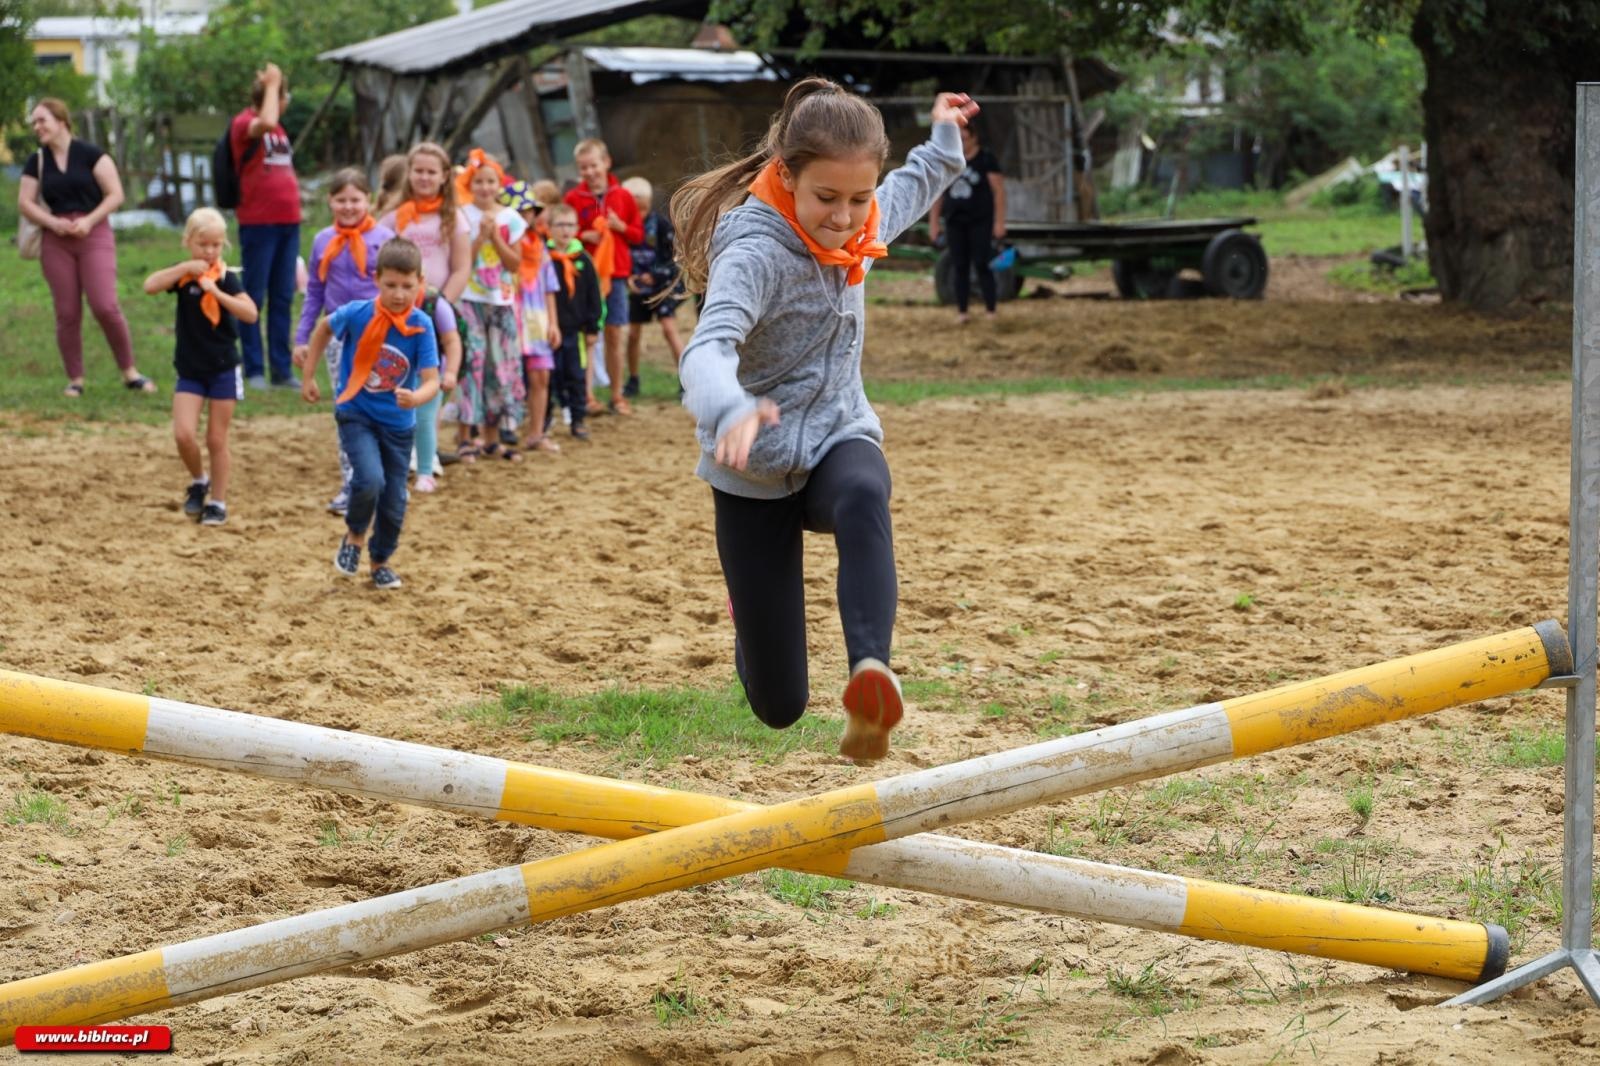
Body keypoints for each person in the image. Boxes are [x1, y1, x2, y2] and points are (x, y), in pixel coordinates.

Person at [673, 78, 975, 762]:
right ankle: (749, 631)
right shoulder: (752, 252)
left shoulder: (863, 216)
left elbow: (920, 178)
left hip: (838, 436)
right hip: (753, 463)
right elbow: (708, 348)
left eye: (859, 199)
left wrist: (945, 132)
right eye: (827, 199)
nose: (845, 219)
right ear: (786, 176)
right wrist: (731, 408)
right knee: (780, 707)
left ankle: (872, 672)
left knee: (867, 489)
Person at [293, 169, 462, 507]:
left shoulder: (384, 237)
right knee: (348, 405)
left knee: (386, 405)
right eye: (341, 200)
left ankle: (390, 477)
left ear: (368, 201)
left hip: (385, 336)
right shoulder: (322, 240)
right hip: (341, 334)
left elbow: (403, 284)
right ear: (330, 201)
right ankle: (351, 484)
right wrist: (303, 336)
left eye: (355, 199)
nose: (348, 206)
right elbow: (314, 291)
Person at [300, 238, 441, 590]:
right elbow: (323, 329)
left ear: (420, 283)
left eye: (407, 286)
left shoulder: (422, 324)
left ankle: (380, 562)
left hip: (398, 425)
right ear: (377, 279)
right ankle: (354, 537)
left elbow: (432, 381)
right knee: (370, 479)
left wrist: (416, 397)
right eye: (391, 285)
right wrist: (309, 374)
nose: (398, 294)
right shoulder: (358, 312)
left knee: (395, 501)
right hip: (356, 413)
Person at [18, 98, 156, 398]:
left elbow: (115, 194)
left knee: (105, 305)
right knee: (67, 312)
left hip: (93, 234)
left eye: (42, 120)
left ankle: (130, 372)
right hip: (56, 239)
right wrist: (51, 223)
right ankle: (75, 379)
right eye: (34, 123)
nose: (37, 127)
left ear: (62, 121)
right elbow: (25, 202)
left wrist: (90, 220)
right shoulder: (37, 161)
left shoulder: (92, 155)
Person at [142, 208, 258, 527]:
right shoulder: (184, 278)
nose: (209, 252)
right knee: (183, 434)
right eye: (202, 244)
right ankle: (198, 480)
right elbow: (150, 286)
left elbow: (250, 314)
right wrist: (184, 269)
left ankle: (218, 502)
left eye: (216, 245)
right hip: (190, 369)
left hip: (223, 369)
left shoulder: (225, 277)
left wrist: (217, 293)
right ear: (188, 242)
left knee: (216, 440)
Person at [379, 143, 471, 459]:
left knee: (436, 376)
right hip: (398, 309)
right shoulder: (394, 219)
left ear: (445, 176)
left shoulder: (454, 219)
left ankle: (426, 447)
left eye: (431, 172)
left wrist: (439, 303)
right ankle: (401, 446)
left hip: (435, 309)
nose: (424, 177)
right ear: (409, 172)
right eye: (418, 170)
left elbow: (461, 267)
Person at [229, 62, 303, 389]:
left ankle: (282, 370)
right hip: (259, 223)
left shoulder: (280, 130)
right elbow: (268, 119)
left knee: (283, 296)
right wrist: (274, 84)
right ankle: (254, 368)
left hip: (289, 223)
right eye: (282, 95)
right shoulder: (245, 123)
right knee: (253, 296)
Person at [455, 149, 526, 461]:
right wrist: (479, 239)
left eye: (491, 181)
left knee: (499, 365)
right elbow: (461, 262)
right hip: (469, 299)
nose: (485, 187)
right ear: (470, 184)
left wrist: (495, 238)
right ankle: (463, 435)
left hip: (501, 300)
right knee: (471, 362)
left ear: (500, 184)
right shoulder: (461, 215)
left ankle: (491, 437)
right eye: (479, 181)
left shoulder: (512, 218)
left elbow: (514, 264)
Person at [566, 138, 643, 415]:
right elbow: (561, 232)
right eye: (583, 167)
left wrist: (621, 226)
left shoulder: (623, 196)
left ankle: (617, 395)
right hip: (586, 275)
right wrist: (581, 235)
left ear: (606, 163)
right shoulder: (573, 199)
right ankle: (586, 396)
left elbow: (638, 235)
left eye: (593, 165)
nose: (589, 172)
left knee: (615, 332)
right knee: (588, 335)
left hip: (617, 274)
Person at [501, 180, 562, 454]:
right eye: (518, 211)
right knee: (506, 377)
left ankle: (536, 433)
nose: (524, 217)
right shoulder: (501, 244)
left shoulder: (540, 246)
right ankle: (505, 430)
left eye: (528, 211)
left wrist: (554, 323)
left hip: (537, 321)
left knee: (541, 377)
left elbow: (550, 288)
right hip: (509, 316)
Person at [927, 123, 1006, 324]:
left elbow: (998, 192)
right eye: (958, 140)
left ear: (974, 138)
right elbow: (938, 195)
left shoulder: (986, 160)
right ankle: (962, 312)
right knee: (959, 265)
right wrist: (934, 223)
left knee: (982, 263)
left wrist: (999, 222)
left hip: (980, 221)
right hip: (955, 222)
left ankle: (991, 310)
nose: (961, 143)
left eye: (964, 139)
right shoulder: (950, 162)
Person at [621, 176, 687, 397]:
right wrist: (629, 277)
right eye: (634, 209)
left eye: (643, 209)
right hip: (636, 290)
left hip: (662, 288)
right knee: (632, 335)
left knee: (669, 330)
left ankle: (686, 380)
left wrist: (656, 275)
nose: (639, 215)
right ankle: (633, 380)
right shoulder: (622, 229)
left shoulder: (661, 225)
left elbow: (675, 259)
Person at [544, 204, 601, 442]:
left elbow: (593, 294)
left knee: (576, 376)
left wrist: (592, 325)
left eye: (570, 225)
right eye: (560, 225)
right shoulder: (544, 257)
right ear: (549, 228)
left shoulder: (583, 259)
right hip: (548, 331)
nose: (565, 230)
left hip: (575, 331)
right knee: (549, 377)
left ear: (577, 228)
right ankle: (545, 420)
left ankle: (578, 420)